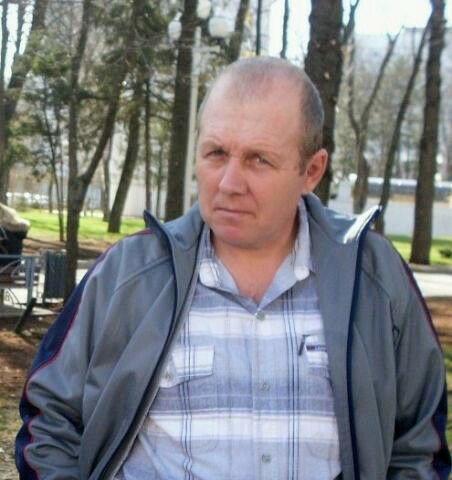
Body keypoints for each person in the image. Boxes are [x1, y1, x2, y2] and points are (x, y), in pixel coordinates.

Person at [16, 57, 450, 480]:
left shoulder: (374, 277)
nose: (228, 183)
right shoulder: (128, 274)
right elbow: (48, 421)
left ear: (311, 171)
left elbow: (418, 446)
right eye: (216, 153)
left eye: (259, 159)